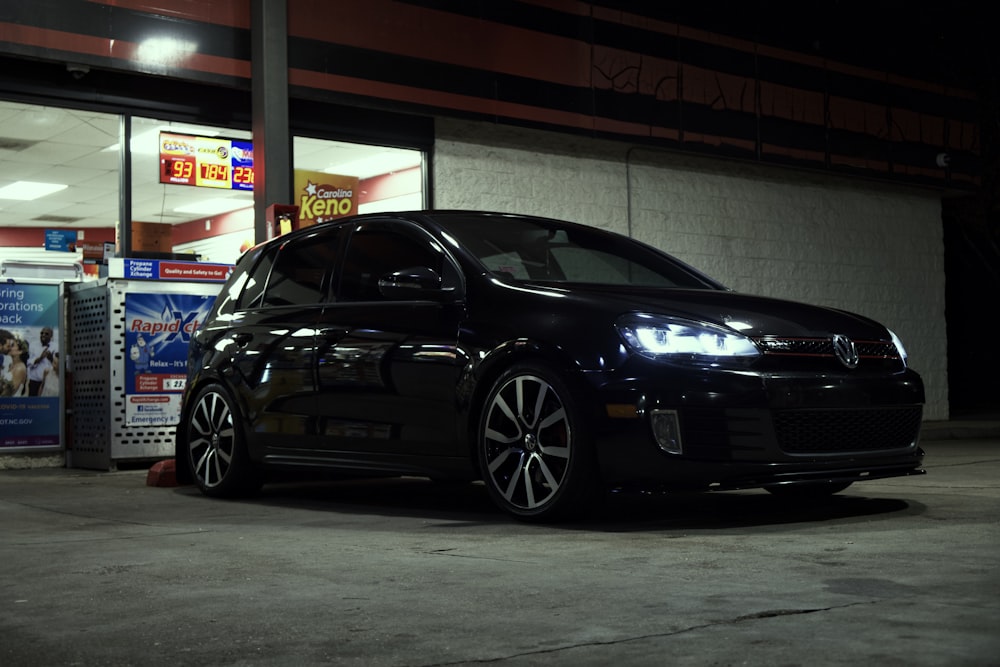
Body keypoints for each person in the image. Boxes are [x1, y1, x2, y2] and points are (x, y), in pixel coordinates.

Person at [28, 326, 57, 396]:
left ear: (51, 335)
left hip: (49, 382)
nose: (43, 335)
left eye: (46, 334)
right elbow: (29, 363)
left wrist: (51, 358)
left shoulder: (56, 346)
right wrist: (40, 358)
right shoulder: (33, 345)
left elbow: (58, 365)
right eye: (42, 333)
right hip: (34, 382)